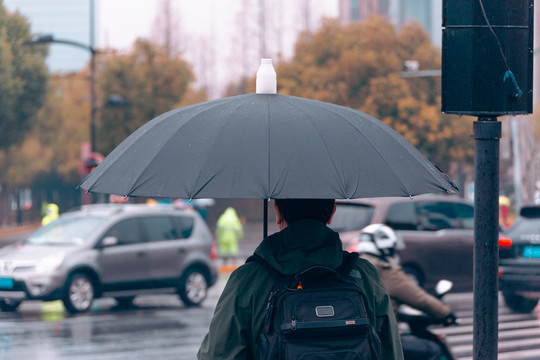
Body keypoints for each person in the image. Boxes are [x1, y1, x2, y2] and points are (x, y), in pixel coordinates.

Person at [198, 199, 403, 360]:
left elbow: (218, 354)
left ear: (278, 213)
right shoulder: (364, 274)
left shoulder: (248, 279)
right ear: (332, 213)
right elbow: (390, 351)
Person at [355, 224, 457, 360]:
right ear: (382, 247)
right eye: (390, 249)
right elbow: (419, 298)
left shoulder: (355, 266)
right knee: (434, 349)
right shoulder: (384, 270)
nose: (392, 253)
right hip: (382, 342)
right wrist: (445, 312)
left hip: (357, 340)